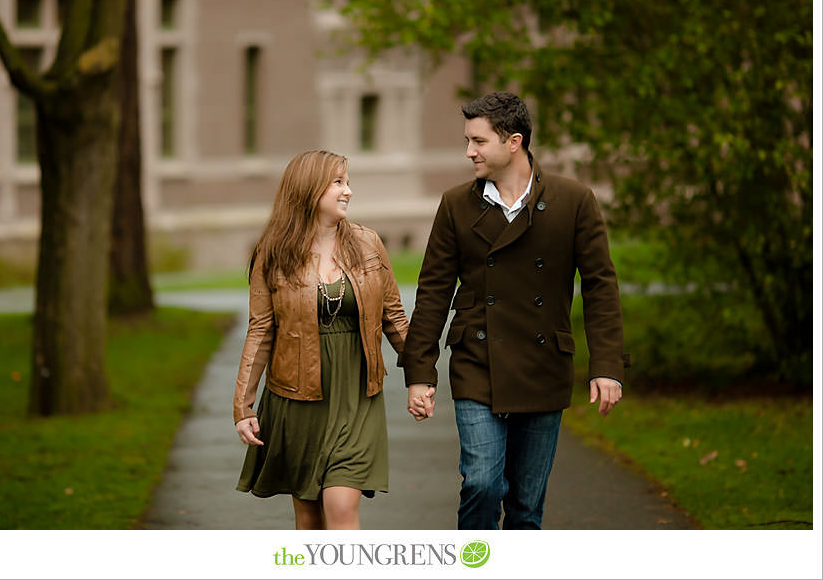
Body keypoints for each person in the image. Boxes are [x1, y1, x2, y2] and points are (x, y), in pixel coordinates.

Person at [402, 92, 630, 530]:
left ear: (514, 142)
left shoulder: (573, 200)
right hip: (477, 362)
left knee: (526, 505)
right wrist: (419, 374)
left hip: (544, 364)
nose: (469, 151)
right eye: (468, 141)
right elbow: (432, 291)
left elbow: (601, 285)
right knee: (483, 483)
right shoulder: (456, 204)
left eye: (478, 142)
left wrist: (606, 366)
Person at [232, 149, 409, 530]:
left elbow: (393, 316)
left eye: (347, 182)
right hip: (299, 397)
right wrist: (243, 406)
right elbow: (260, 329)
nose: (348, 191)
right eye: (338, 182)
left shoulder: (368, 243)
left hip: (358, 393)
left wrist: (422, 375)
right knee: (309, 518)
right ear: (309, 189)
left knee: (341, 507)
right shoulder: (273, 252)